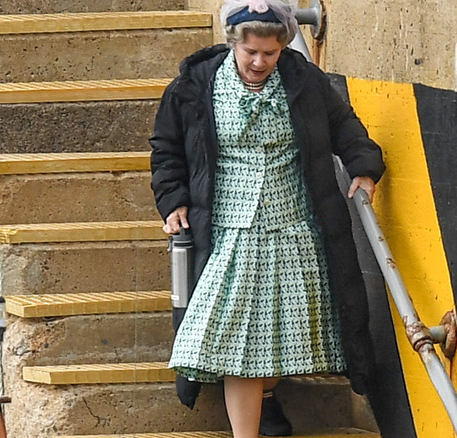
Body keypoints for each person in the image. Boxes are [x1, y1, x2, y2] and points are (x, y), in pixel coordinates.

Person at [149, 0, 385, 436]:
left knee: (273, 338)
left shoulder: (303, 80)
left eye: (270, 53)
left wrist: (364, 169)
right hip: (228, 232)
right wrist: (174, 200)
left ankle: (268, 400)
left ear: (282, 49)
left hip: (296, 227)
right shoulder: (194, 84)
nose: (259, 62)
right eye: (250, 52)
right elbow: (167, 149)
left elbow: (343, 125)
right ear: (232, 44)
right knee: (239, 340)